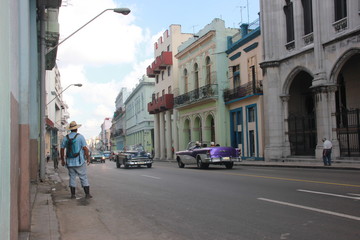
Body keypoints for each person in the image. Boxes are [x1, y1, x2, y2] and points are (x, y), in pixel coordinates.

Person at [60, 121, 92, 199]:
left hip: (69, 162)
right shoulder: (80, 137)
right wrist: (88, 158)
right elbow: (85, 149)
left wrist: (63, 160)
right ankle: (87, 194)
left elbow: (62, 149)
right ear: (76, 129)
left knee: (72, 177)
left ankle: (73, 195)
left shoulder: (65, 138)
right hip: (80, 162)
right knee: (83, 177)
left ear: (70, 129)